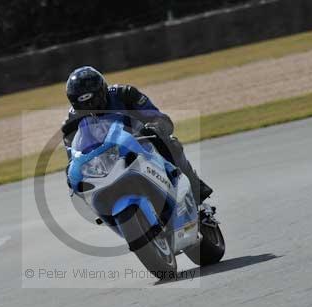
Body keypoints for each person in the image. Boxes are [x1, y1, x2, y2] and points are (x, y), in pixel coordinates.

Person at [61, 66, 213, 205]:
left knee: (171, 144)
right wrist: (72, 166)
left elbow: (161, 119)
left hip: (141, 147)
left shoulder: (124, 94)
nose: (90, 107)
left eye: (93, 100)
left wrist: (154, 128)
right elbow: (72, 149)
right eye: (83, 105)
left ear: (102, 90)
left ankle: (195, 187)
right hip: (107, 161)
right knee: (76, 179)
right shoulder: (72, 118)